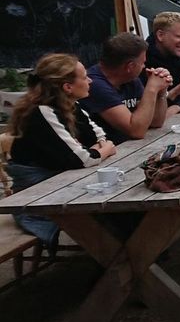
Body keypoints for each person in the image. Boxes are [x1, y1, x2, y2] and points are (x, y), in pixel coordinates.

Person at [4, 54, 115, 248]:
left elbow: (99, 136)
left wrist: (99, 148)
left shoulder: (71, 105)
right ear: (67, 87)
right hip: (37, 196)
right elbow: (84, 160)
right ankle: (119, 257)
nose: (90, 80)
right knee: (112, 208)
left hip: (62, 182)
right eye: (84, 77)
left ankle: (118, 252)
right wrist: (104, 150)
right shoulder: (42, 112)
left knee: (113, 202)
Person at [80, 32, 171, 142]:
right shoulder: (94, 85)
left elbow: (155, 122)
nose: (144, 67)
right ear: (130, 66)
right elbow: (136, 131)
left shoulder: (130, 79)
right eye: (142, 63)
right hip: (108, 154)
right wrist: (151, 88)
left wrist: (160, 92)